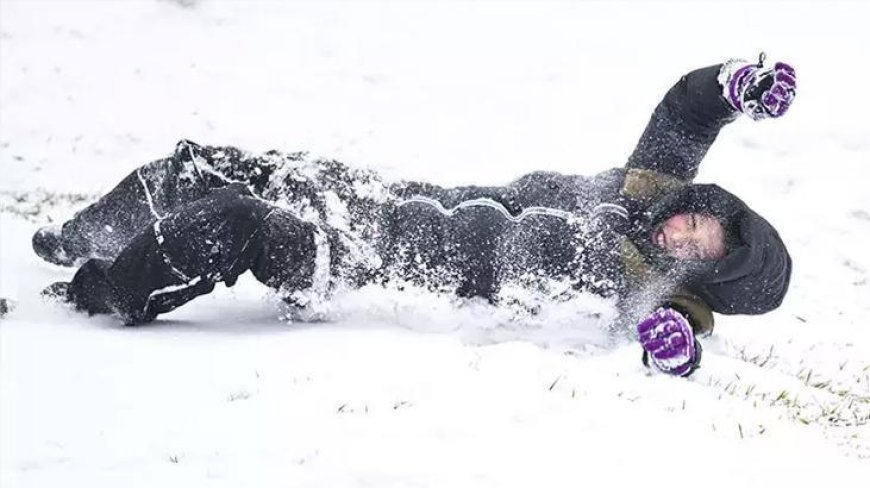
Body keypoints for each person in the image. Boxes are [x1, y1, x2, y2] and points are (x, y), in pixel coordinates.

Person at [33, 56, 796, 377]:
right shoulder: (644, 192)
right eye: (700, 217)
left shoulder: (659, 294)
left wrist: (673, 349)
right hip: (386, 202)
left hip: (370, 270)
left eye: (699, 244)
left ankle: (95, 291)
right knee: (211, 166)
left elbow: (679, 342)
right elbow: (685, 115)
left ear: (700, 273)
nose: (683, 229)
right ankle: (80, 235)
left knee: (231, 217)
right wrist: (737, 82)